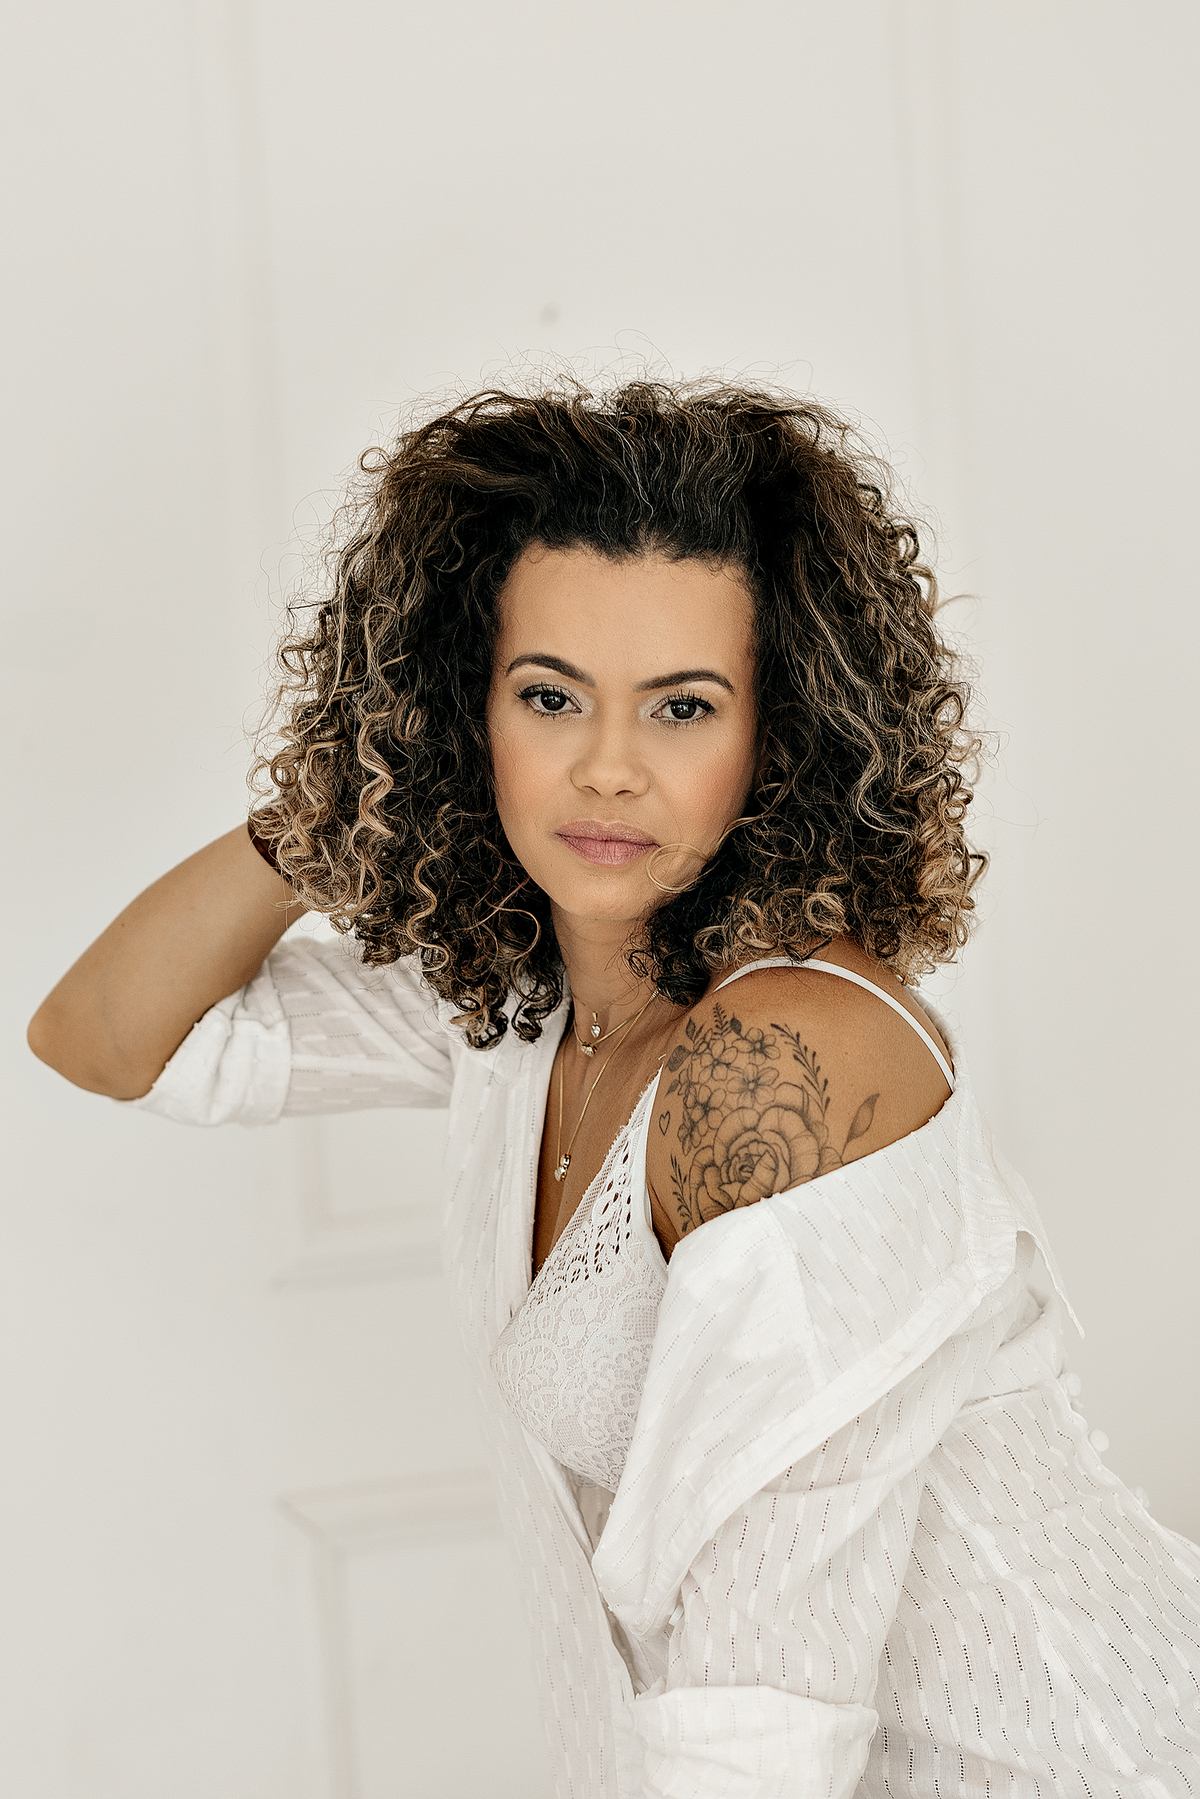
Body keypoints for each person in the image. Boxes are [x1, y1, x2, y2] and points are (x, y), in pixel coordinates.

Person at [28, 379, 1200, 1798]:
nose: (606, 769)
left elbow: (760, 1719)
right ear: (465, 707)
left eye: (682, 708)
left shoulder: (784, 1063)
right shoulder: (529, 1010)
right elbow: (110, 1038)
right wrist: (355, 790)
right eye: (548, 697)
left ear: (782, 733)